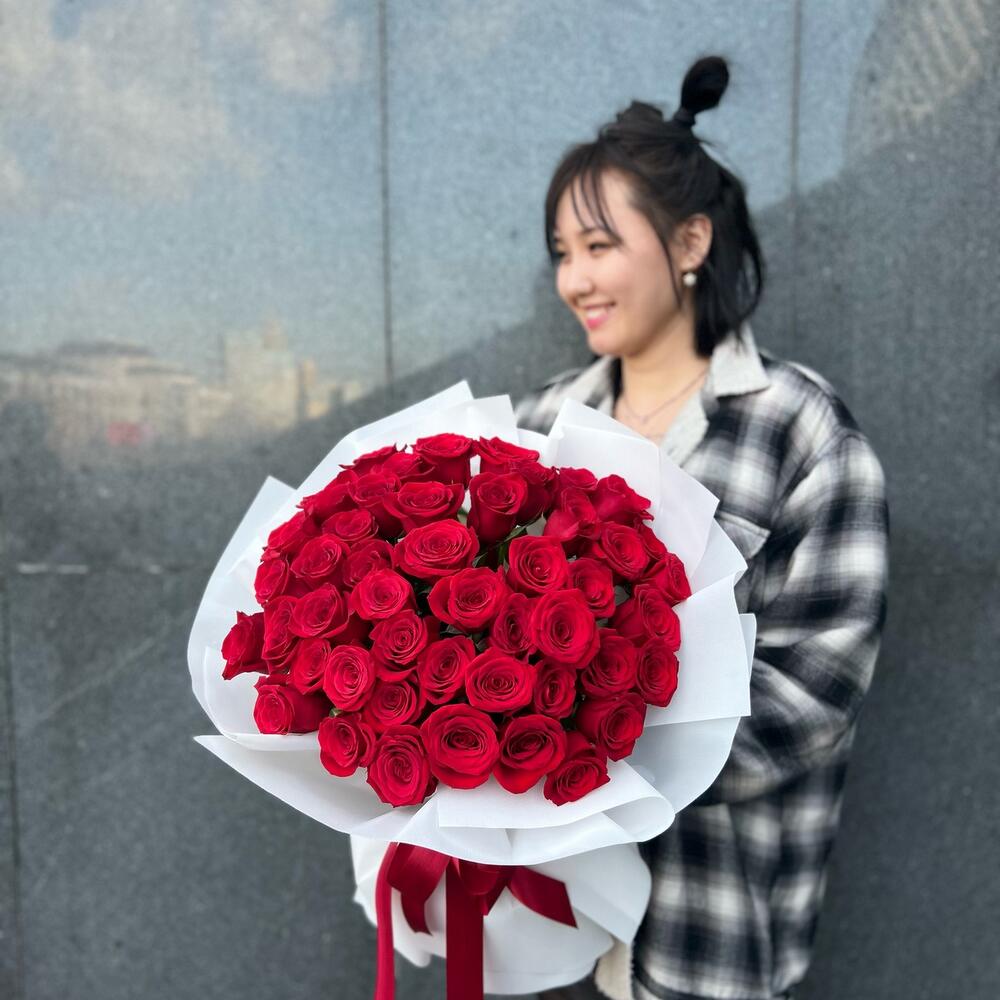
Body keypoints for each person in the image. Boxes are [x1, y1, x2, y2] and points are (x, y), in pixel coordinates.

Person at [517, 57, 890, 1000]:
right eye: (562, 252)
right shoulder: (535, 428)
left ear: (690, 240)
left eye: (599, 245)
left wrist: (601, 738)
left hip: (706, 927)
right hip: (537, 922)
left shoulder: (801, 429)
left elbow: (817, 688)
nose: (575, 278)